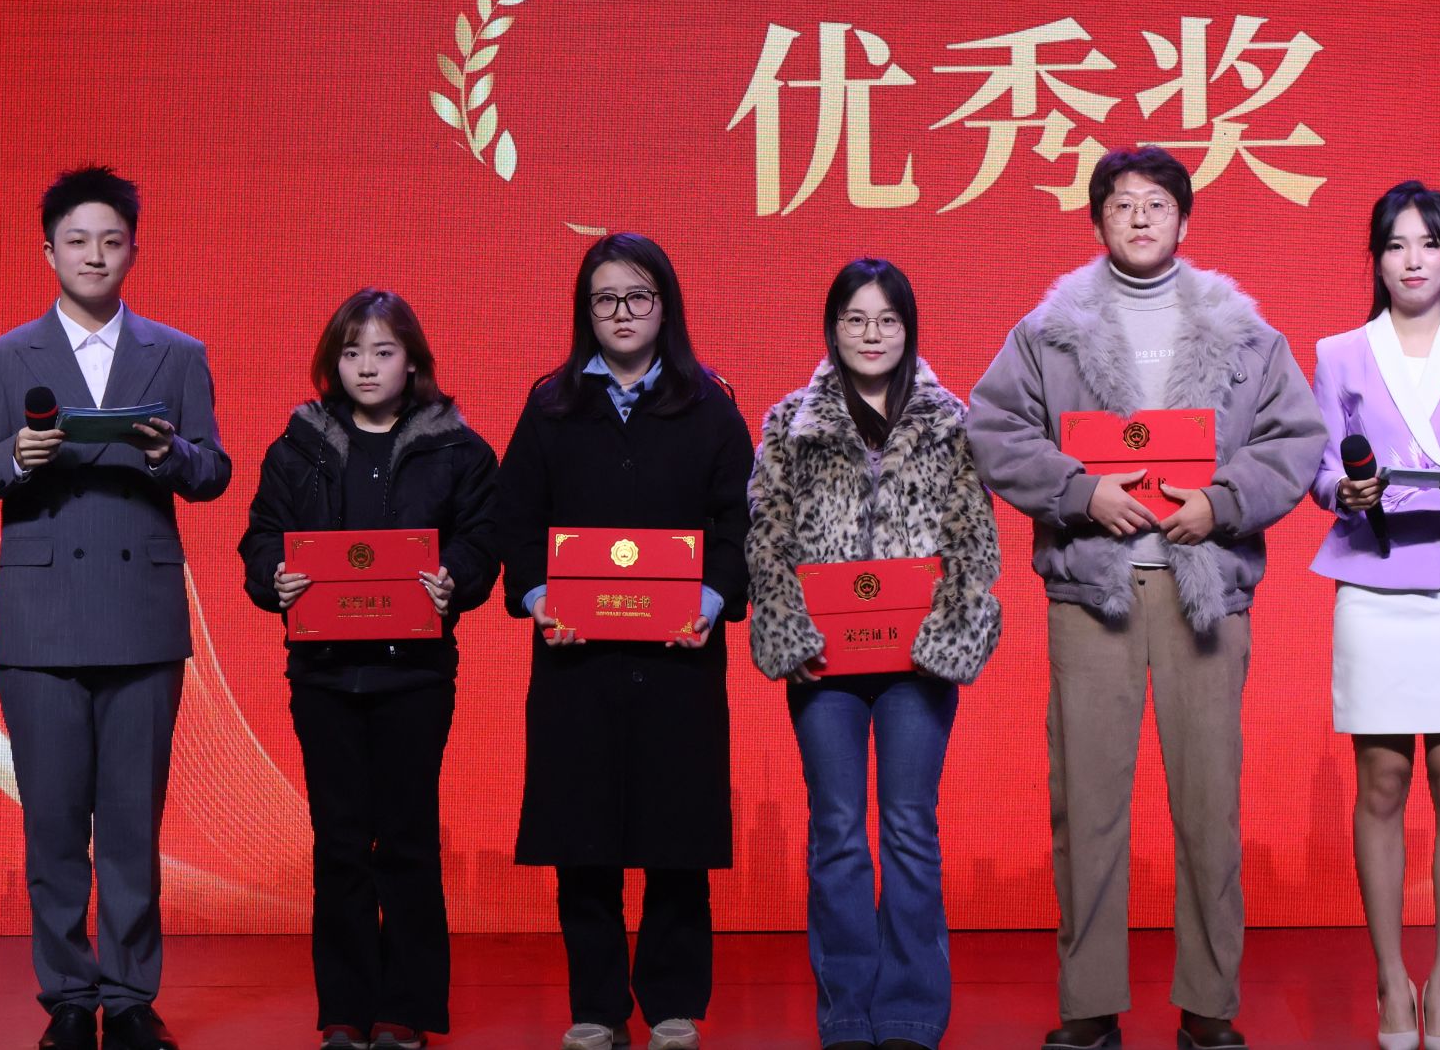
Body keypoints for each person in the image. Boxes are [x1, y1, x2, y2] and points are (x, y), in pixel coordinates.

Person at [967, 147, 1325, 1050]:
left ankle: (1210, 1006)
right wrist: (1080, 490)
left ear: (1183, 220)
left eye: (1156, 203)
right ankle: (1089, 1006)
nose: (1138, 216)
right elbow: (993, 427)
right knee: (1085, 804)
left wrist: (1222, 502)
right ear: (1097, 219)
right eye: (1121, 202)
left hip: (1204, 589)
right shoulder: (1050, 330)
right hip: (1095, 590)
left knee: (1210, 807)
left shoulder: (1242, 331)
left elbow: (1295, 437)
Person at [0, 166, 231, 1050]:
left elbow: (214, 471)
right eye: (77, 240)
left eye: (111, 241)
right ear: (48, 252)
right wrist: (16, 457)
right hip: (40, 620)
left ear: (133, 251)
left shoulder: (176, 353)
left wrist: (168, 453)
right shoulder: (3, 358)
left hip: (141, 613)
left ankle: (132, 996)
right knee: (54, 823)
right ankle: (70, 998)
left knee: (133, 823)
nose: (94, 256)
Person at [497, 233, 755, 1050]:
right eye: (605, 298)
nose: (622, 313)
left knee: (676, 840)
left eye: (638, 296)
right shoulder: (550, 406)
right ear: (586, 310)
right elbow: (515, 517)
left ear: (664, 306)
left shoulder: (709, 405)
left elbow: (739, 522)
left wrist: (710, 599)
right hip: (577, 660)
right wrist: (538, 596)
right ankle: (597, 1006)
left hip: (678, 661)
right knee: (584, 841)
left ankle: (673, 1004)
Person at [746, 257, 1003, 1050]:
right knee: (836, 829)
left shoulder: (950, 421)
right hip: (823, 662)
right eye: (856, 319)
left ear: (908, 328)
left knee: (909, 826)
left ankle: (911, 1013)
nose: (871, 334)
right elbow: (766, 538)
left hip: (916, 664)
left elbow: (974, 543)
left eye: (887, 319)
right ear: (833, 328)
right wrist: (790, 633)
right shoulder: (789, 422)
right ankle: (848, 1013)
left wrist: (946, 637)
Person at [238, 289, 502, 1050]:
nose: (366, 366)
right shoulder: (298, 445)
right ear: (334, 362)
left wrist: (456, 576)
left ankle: (406, 1009)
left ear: (412, 360)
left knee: (408, 840)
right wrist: (273, 575)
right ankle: (344, 1011)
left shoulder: (458, 448)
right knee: (340, 844)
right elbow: (261, 536)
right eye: (351, 352)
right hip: (324, 675)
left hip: (414, 675)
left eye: (383, 351)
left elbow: (483, 538)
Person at [1307, 181, 1440, 1050]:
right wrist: (1344, 491)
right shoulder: (1339, 353)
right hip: (1373, 581)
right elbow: (1323, 469)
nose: (1413, 259)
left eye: (1428, 242)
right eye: (1395, 244)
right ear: (1377, 259)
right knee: (1383, 783)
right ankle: (1392, 981)